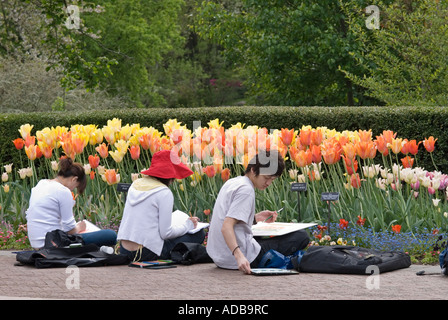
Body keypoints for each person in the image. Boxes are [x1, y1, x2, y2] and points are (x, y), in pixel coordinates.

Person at [206, 150, 310, 274]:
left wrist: (255, 218)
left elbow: (228, 218)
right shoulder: (246, 190)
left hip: (220, 257)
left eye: (272, 179)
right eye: (266, 178)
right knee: (301, 236)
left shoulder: (232, 182)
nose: (268, 183)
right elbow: (226, 226)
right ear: (254, 170)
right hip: (239, 258)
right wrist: (239, 256)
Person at [117, 149, 205, 262]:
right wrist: (187, 225)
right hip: (146, 252)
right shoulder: (163, 192)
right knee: (199, 234)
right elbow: (166, 233)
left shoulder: (135, 184)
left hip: (124, 250)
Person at [26, 157, 117, 249]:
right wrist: (79, 227)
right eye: (75, 187)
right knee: (110, 235)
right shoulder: (63, 191)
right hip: (54, 243)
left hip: (36, 243)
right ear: (74, 179)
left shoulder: (41, 184)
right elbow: (70, 230)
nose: (72, 190)